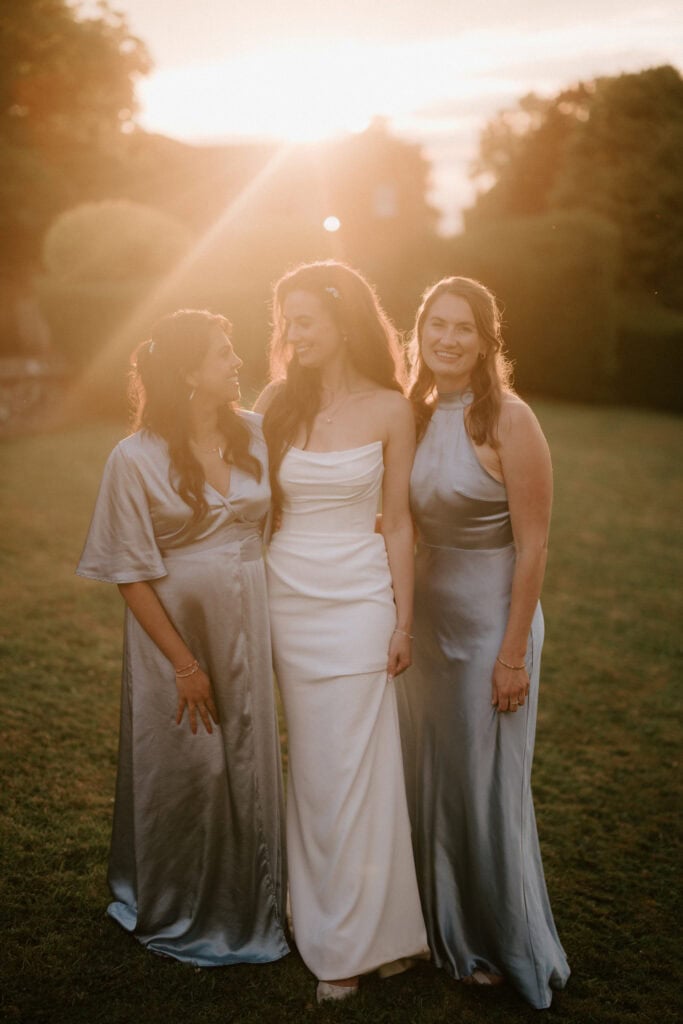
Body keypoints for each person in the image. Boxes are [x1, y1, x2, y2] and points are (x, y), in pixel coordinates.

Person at [76, 310, 289, 966]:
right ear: (188, 372)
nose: (236, 362)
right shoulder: (133, 458)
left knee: (250, 763)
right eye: (223, 353)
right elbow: (129, 574)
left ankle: (256, 901)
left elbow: (291, 517)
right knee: (193, 767)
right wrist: (184, 664)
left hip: (249, 622)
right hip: (175, 638)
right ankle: (181, 899)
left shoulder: (256, 435)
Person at [254, 261, 429, 1003]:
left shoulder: (391, 409)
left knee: (361, 766)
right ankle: (325, 916)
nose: (291, 334)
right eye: (285, 321)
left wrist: (402, 617)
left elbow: (399, 522)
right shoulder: (272, 404)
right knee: (318, 772)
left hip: (360, 601)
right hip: (286, 598)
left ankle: (360, 940)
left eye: (303, 320)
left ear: (341, 322)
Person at [395, 277, 570, 1008]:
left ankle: (499, 939)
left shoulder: (511, 422)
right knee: (430, 780)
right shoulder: (411, 414)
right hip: (425, 631)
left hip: (491, 626)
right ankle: (442, 931)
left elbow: (532, 549)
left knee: (486, 788)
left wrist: (510, 655)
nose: (446, 338)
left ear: (485, 341)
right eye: (435, 324)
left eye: (462, 328)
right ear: (419, 333)